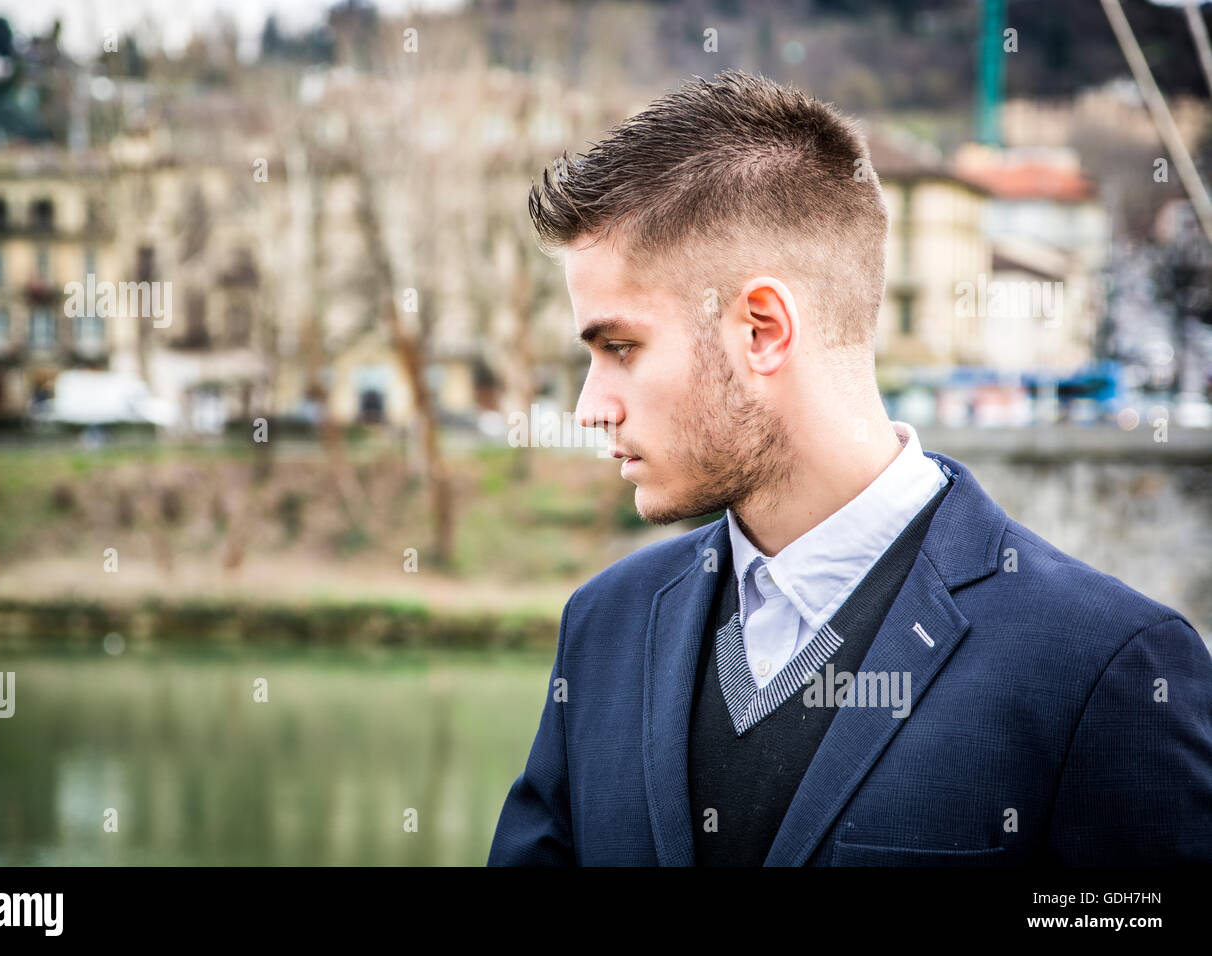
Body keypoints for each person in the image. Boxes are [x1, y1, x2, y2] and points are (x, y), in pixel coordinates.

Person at [486, 70, 1212, 866]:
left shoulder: (1108, 667)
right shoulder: (604, 625)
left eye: (619, 347)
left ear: (762, 328)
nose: (592, 406)